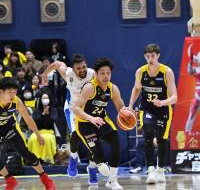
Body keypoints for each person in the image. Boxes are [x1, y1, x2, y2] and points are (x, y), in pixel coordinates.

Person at [128, 44, 177, 184]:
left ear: (158, 56)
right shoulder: (140, 72)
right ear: (145, 57)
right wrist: (131, 105)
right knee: (148, 134)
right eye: (148, 56)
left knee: (162, 140)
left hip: (163, 109)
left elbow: (175, 97)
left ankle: (160, 170)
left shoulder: (167, 72)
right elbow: (137, 89)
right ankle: (150, 170)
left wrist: (162, 102)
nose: (150, 59)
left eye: (153, 56)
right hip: (147, 109)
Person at [42, 54, 96, 181]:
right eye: (78, 68)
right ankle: (73, 158)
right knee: (76, 135)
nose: (82, 70)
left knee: (93, 141)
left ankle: (92, 169)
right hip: (72, 109)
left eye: (84, 67)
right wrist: (44, 75)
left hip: (88, 110)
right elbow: (56, 64)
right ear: (72, 68)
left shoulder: (92, 74)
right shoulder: (68, 73)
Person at [73, 57, 125, 189]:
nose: (106, 76)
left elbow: (121, 107)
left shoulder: (113, 88)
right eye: (102, 73)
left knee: (116, 142)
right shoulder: (90, 87)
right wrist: (91, 118)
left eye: (108, 73)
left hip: (101, 120)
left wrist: (127, 114)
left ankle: (112, 181)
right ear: (96, 74)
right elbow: (76, 108)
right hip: (84, 123)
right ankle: (97, 165)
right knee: (100, 161)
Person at [0, 77, 56, 190]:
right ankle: (10, 180)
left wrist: (38, 135)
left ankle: (46, 179)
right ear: (1, 91)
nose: (12, 95)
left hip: (9, 127)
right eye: (9, 92)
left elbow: (28, 118)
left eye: (14, 92)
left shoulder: (16, 101)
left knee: (24, 152)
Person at [185, 46, 200, 132]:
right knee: (191, 115)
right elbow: (189, 71)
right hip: (197, 95)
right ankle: (187, 134)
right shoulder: (195, 69)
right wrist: (190, 61)